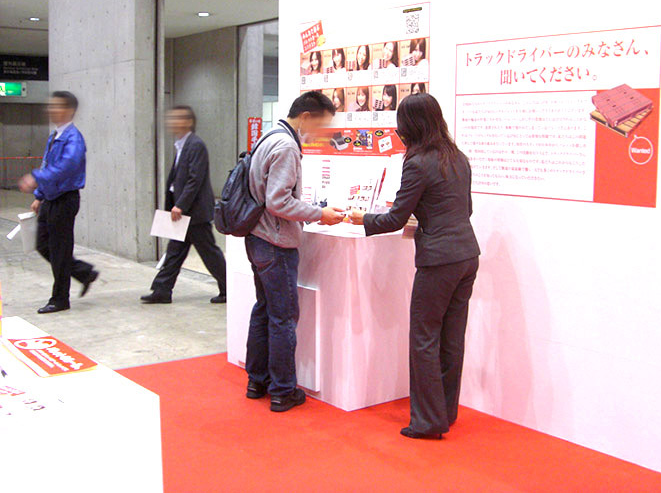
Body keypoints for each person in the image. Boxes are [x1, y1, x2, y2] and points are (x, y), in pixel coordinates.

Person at [351, 93, 480, 439]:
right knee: (452, 338)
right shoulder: (458, 157)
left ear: (409, 125)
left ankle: (427, 421)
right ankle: (445, 411)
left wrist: (363, 218)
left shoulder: (418, 162)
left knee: (424, 337)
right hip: (467, 255)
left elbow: (395, 218)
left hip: (438, 260)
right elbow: (465, 210)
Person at [245, 91, 345, 412]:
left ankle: (257, 381)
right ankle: (283, 390)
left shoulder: (269, 137)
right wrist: (319, 214)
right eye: (320, 125)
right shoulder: (287, 146)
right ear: (305, 118)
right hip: (275, 243)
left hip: (257, 238)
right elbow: (278, 201)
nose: (320, 133)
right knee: (283, 317)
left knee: (264, 310)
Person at [18, 91, 99, 314]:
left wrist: (35, 178)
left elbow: (66, 167)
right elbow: (47, 165)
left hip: (65, 200)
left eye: (57, 106)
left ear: (70, 110)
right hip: (51, 198)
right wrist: (39, 196)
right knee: (42, 244)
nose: (51, 110)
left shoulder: (74, 138)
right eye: (51, 106)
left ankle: (60, 298)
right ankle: (83, 272)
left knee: (60, 250)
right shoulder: (54, 136)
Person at [141, 106, 227, 304]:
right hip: (183, 212)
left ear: (189, 122)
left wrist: (180, 205)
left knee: (209, 253)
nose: (172, 122)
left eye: (177, 118)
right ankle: (162, 290)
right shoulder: (182, 145)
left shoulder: (196, 145)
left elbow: (195, 179)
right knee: (175, 252)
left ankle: (229, 288)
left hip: (194, 212)